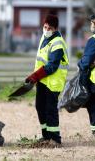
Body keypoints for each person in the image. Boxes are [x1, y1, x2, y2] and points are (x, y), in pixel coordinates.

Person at [25, 14, 69, 147]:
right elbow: (41, 61)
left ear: (55, 28)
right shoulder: (44, 38)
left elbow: (52, 66)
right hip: (43, 80)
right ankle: (46, 135)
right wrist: (35, 75)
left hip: (53, 82)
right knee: (40, 107)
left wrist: (35, 76)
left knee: (50, 110)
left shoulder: (58, 43)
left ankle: (55, 139)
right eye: (45, 27)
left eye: (49, 28)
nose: (46, 30)